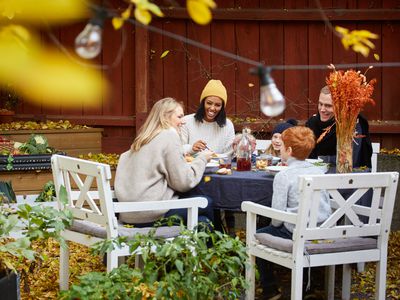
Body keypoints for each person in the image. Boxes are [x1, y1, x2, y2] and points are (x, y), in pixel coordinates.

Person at [256, 126, 331, 299]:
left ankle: (269, 288)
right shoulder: (319, 171)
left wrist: (271, 224)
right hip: (321, 230)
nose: (280, 148)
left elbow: (276, 219)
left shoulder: (284, 175)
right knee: (297, 228)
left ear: (288, 150)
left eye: (281, 146)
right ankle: (307, 288)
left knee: (259, 234)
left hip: (295, 232)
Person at [114, 97, 215, 226]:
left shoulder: (143, 138)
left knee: (202, 222)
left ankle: (207, 244)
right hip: (149, 215)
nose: (183, 122)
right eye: (179, 117)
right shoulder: (169, 135)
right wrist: (202, 159)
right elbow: (184, 182)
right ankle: (219, 244)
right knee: (206, 202)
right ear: (165, 117)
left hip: (129, 213)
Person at [306, 86, 372, 168]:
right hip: (312, 175)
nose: (322, 109)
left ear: (340, 106)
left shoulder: (351, 125)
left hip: (348, 176)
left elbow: (351, 160)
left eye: (328, 106)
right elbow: (304, 155)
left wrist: (321, 160)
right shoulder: (312, 123)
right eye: (320, 104)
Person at [180, 79, 235, 156]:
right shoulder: (186, 121)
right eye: (209, 103)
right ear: (203, 103)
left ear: (222, 107)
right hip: (192, 166)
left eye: (217, 105)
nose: (212, 108)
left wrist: (238, 147)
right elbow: (178, 149)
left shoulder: (228, 125)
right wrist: (191, 148)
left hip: (219, 167)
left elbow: (229, 154)